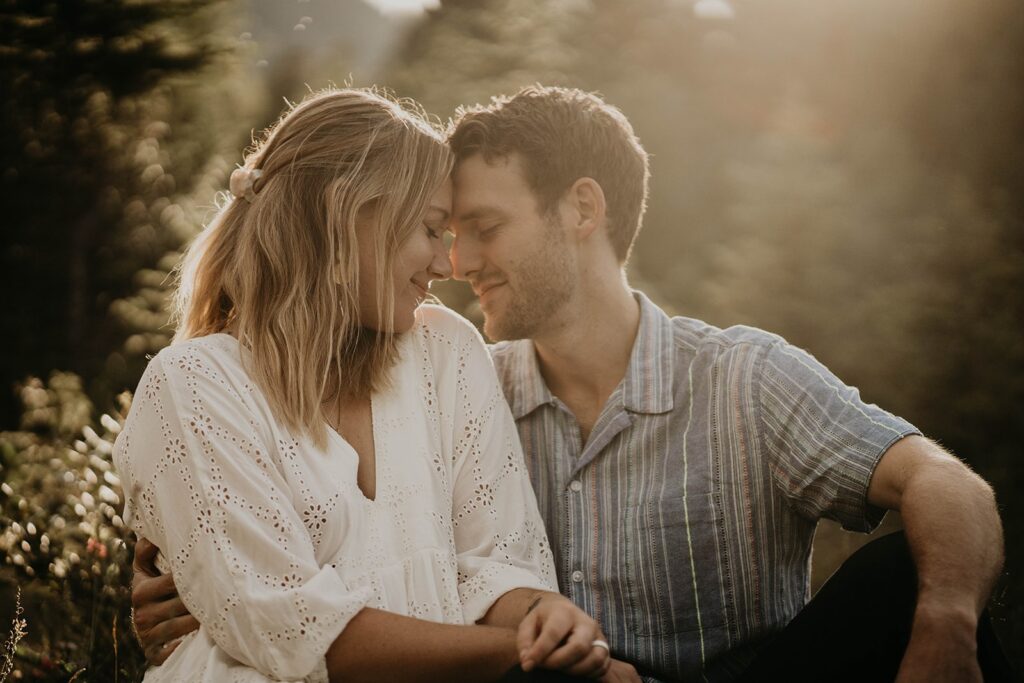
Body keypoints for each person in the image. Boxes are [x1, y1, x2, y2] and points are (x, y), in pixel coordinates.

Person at [131, 86, 1012, 682]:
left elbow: (947, 483)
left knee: (908, 579)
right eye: (442, 230)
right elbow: (275, 584)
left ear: (581, 210)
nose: (456, 263)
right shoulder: (465, 372)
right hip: (558, 679)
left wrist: (945, 626)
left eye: (479, 227)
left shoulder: (741, 377)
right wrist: (201, 590)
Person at [114, 87, 621, 683]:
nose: (446, 264)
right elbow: (295, 632)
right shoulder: (194, 384)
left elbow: (496, 566)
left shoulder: (445, 352)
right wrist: (520, 653)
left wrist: (549, 620)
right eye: (432, 230)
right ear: (343, 215)